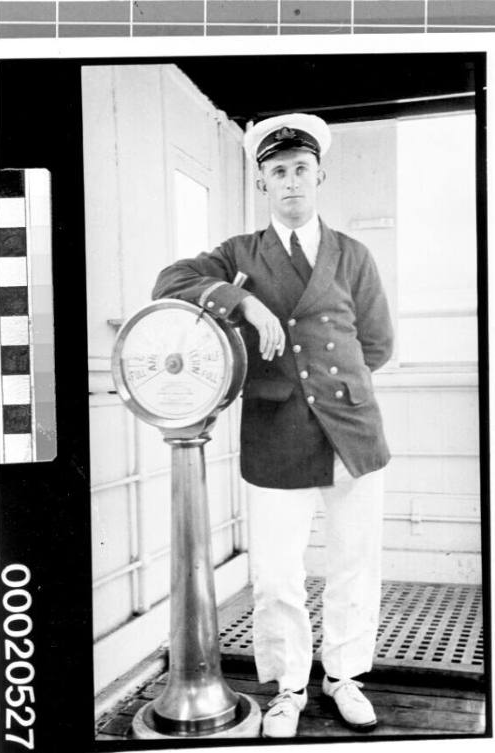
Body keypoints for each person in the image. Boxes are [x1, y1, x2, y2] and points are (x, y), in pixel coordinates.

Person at [152, 113, 393, 737]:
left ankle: (344, 678)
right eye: (278, 172)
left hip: (352, 431)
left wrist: (332, 388)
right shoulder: (238, 254)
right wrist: (243, 299)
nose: (291, 182)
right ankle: (287, 688)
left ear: (320, 176)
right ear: (263, 184)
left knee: (354, 564)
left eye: (301, 170)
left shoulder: (354, 254)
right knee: (278, 574)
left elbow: (378, 344)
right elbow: (170, 281)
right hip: (275, 432)